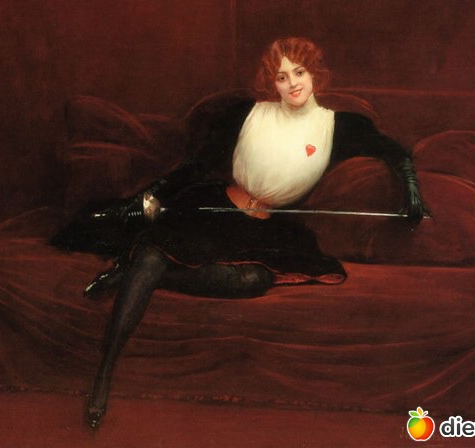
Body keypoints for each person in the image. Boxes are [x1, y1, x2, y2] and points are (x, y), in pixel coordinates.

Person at [51, 37, 428, 429]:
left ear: (315, 74)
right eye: (281, 77)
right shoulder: (248, 114)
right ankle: (103, 379)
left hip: (264, 229)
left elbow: (397, 153)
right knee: (152, 252)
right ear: (271, 82)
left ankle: (134, 272)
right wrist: (148, 196)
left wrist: (412, 191)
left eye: (299, 72)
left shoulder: (338, 125)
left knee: (253, 279)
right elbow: (196, 166)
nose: (292, 83)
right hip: (214, 208)